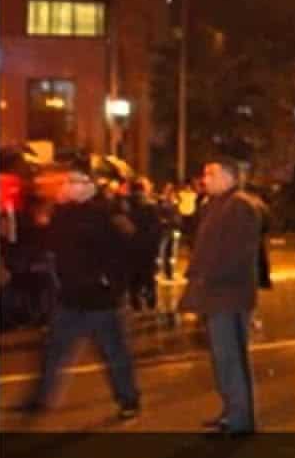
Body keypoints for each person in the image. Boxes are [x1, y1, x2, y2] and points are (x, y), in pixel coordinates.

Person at [16, 160, 141, 419]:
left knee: (114, 353)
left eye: (74, 181)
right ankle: (41, 398)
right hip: (69, 297)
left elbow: (125, 251)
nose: (68, 186)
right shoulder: (63, 213)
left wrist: (110, 283)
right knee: (53, 350)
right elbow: (48, 245)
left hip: (101, 300)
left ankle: (128, 399)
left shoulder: (106, 214)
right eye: (67, 181)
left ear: (89, 186)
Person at [179, 157, 264, 436]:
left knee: (231, 358)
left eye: (211, 174)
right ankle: (231, 411)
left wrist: (210, 276)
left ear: (228, 177)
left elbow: (239, 253)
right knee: (222, 358)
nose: (205, 180)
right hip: (216, 294)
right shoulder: (215, 205)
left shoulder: (240, 206)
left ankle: (240, 418)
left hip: (230, 295)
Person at [124, 177, 164, 314]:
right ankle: (150, 300)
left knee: (134, 276)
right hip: (147, 248)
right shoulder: (150, 207)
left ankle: (135, 301)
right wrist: (155, 247)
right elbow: (157, 229)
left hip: (131, 247)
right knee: (148, 275)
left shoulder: (126, 206)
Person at [157, 183, 182, 281]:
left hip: (172, 229)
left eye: (171, 191)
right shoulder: (162, 202)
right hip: (166, 230)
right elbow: (160, 215)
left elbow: (177, 215)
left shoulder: (174, 202)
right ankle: (163, 270)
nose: (170, 193)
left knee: (172, 252)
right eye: (168, 190)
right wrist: (165, 221)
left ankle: (170, 271)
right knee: (163, 250)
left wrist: (177, 223)